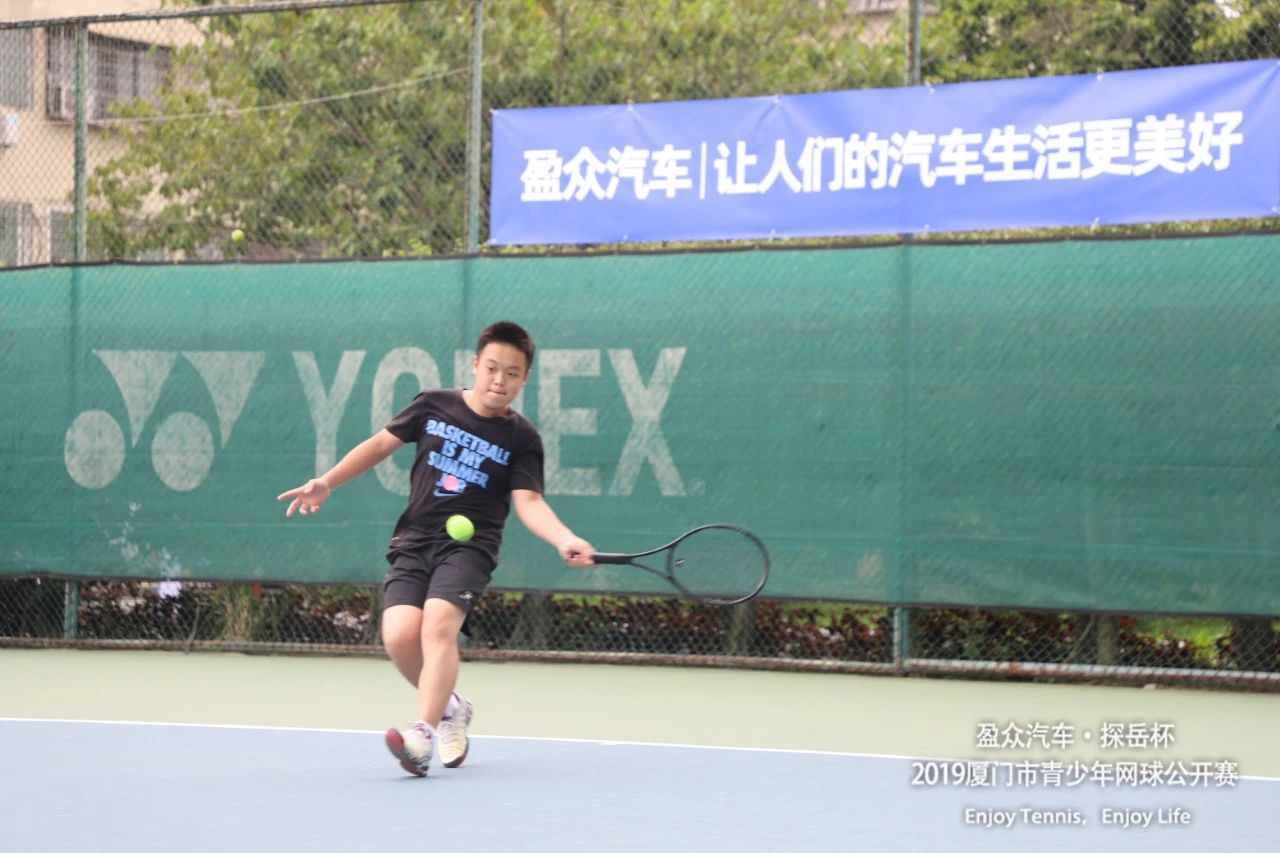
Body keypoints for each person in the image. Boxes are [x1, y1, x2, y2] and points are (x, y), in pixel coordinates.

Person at [277, 321, 595, 776]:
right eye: (492, 368)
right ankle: (452, 710)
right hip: (415, 539)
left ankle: (422, 734)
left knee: (439, 626)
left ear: (525, 379)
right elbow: (380, 444)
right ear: (475, 365)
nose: (499, 380)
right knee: (399, 637)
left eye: (512, 373)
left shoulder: (523, 438)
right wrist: (327, 481)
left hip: (470, 548)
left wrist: (564, 537)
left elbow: (529, 501)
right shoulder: (433, 404)